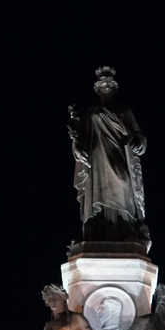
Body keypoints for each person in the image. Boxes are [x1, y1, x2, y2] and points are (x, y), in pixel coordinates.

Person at [68, 67, 148, 242]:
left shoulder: (124, 111)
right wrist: (78, 147)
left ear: (114, 87)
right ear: (97, 88)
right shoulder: (90, 114)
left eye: (109, 83)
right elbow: (81, 141)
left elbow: (139, 135)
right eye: (102, 83)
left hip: (120, 155)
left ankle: (126, 229)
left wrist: (139, 143)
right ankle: (98, 230)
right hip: (98, 158)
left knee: (123, 185)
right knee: (99, 194)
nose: (106, 86)